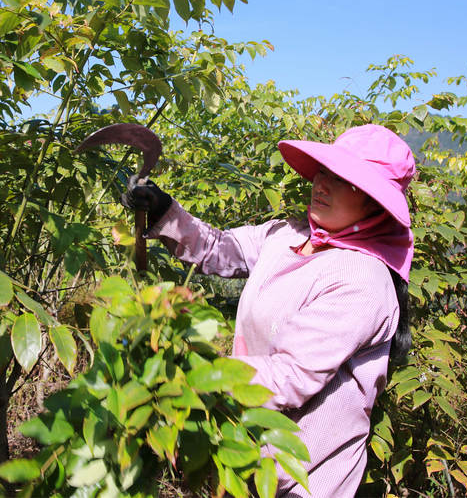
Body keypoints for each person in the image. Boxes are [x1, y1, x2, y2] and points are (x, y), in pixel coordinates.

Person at [121, 124, 415, 497]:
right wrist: (164, 209)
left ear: (374, 203)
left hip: (304, 477)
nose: (322, 185)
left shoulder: (361, 280)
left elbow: (289, 376)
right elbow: (220, 248)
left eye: (344, 181)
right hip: (243, 449)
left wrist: (186, 374)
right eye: (324, 172)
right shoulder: (289, 236)